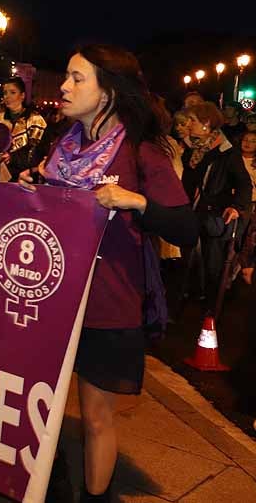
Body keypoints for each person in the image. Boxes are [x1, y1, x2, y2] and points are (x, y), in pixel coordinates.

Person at [19, 44, 197, 503]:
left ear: (107, 93)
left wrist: (134, 202)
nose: (63, 85)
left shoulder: (141, 155)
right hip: (51, 301)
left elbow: (186, 226)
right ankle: (51, 488)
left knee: (97, 418)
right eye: (68, 76)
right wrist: (31, 190)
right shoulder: (62, 147)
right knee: (45, 412)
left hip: (108, 306)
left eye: (78, 78)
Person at [180, 101, 251, 304]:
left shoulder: (226, 152)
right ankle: (189, 297)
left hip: (214, 214)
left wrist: (236, 207)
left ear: (207, 123)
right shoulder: (190, 150)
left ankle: (211, 306)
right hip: (191, 211)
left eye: (192, 121)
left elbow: (244, 183)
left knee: (212, 262)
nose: (188, 125)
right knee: (189, 258)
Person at [0, 77, 48, 181]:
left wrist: (12, 157)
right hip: (0, 176)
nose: (7, 97)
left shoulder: (35, 120)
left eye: (12, 92)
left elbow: (36, 151)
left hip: (25, 177)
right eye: (5, 93)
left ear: (22, 96)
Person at [232, 131, 256, 285]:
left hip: (252, 203)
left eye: (252, 141)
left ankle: (240, 268)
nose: (247, 143)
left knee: (247, 239)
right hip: (235, 203)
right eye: (245, 139)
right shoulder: (232, 159)